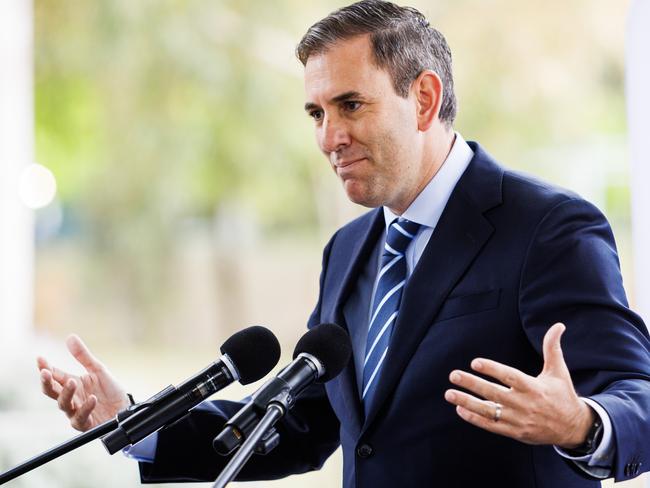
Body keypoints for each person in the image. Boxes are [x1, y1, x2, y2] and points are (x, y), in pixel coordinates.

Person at [37, 1, 650, 487]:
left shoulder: (549, 227)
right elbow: (299, 423)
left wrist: (579, 425)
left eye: (350, 105)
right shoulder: (349, 249)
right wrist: (132, 421)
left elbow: (639, 399)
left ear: (424, 99)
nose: (329, 137)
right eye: (315, 113)